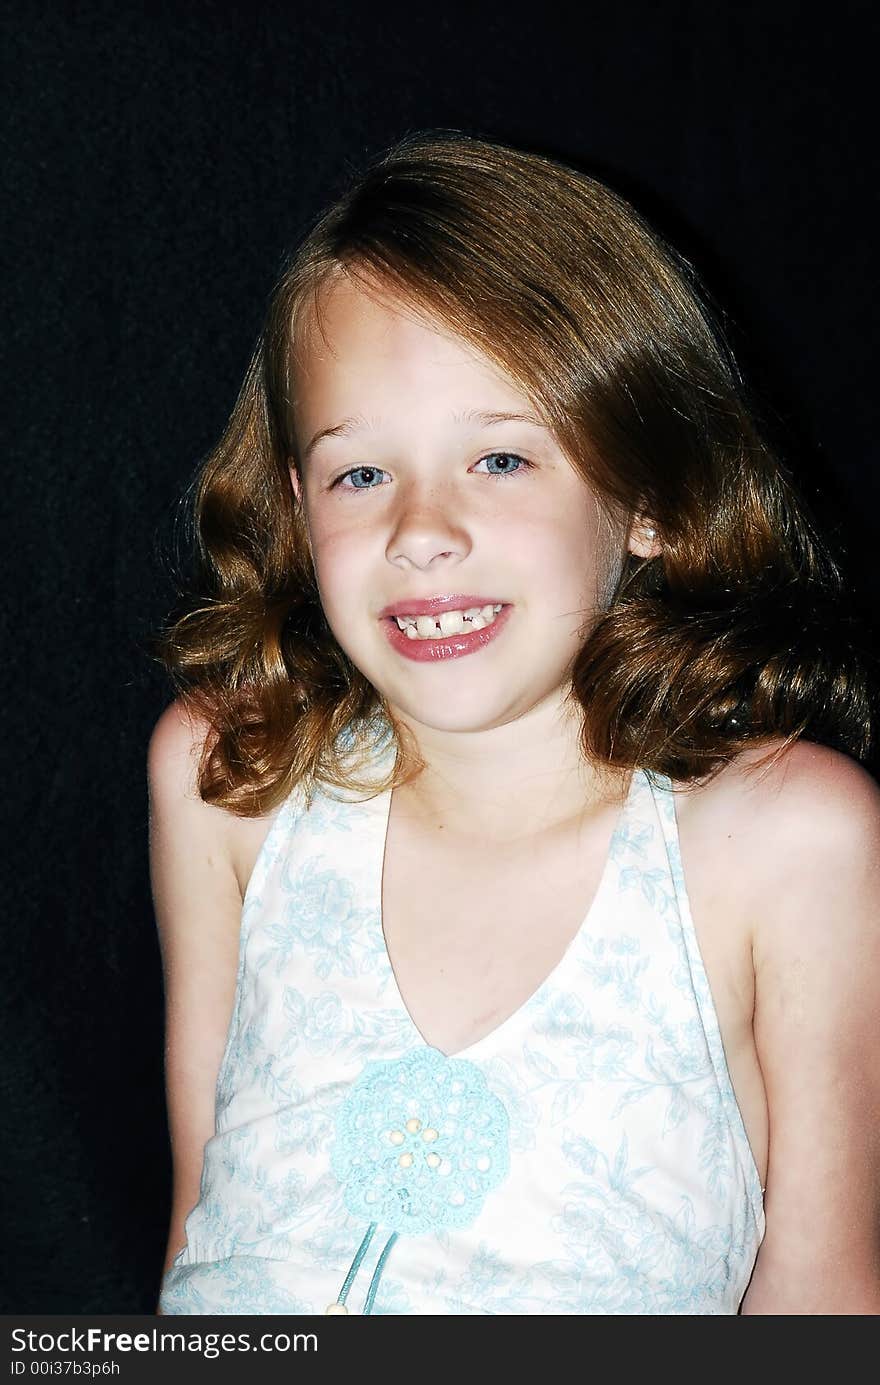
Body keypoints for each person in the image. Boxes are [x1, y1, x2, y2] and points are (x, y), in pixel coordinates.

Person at [147, 130, 880, 1316]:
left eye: (498, 456)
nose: (420, 530)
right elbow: (201, 1239)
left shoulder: (781, 840)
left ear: (649, 496)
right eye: (359, 474)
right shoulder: (228, 780)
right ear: (293, 503)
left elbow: (824, 1296)